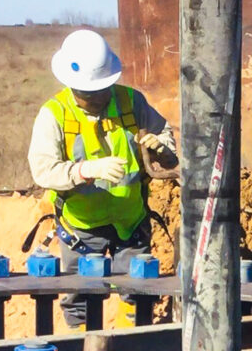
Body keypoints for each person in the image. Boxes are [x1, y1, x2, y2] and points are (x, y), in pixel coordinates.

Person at [27, 29, 174, 327]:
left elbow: (166, 138)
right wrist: (85, 170)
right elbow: (42, 170)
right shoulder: (54, 115)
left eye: (101, 90)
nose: (95, 98)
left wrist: (162, 147)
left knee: (137, 292)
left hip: (130, 220)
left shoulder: (132, 102)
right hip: (82, 227)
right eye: (87, 93)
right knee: (80, 298)